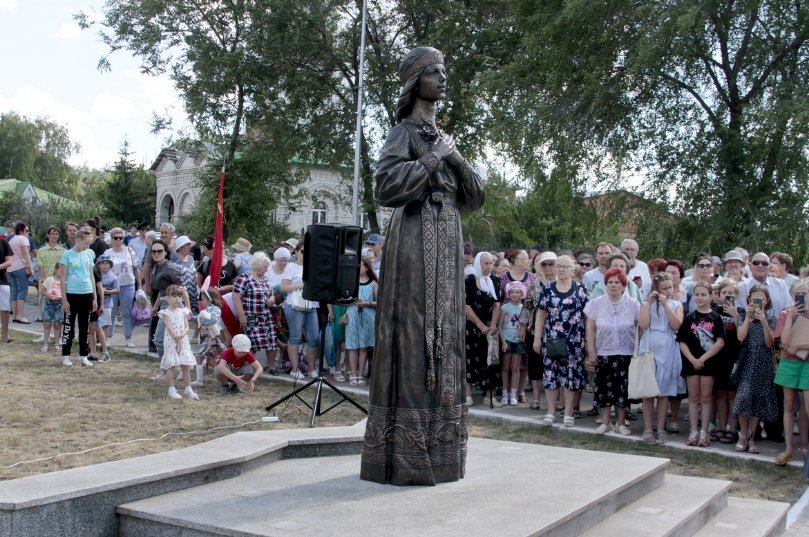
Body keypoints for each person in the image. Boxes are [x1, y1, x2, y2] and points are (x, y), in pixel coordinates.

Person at [360, 45, 485, 487]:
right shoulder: (404, 133)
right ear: (416, 82)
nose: (442, 78)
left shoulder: (444, 137)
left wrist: (453, 157)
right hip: (413, 238)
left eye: (444, 69)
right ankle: (406, 453)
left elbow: (475, 196)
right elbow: (386, 185)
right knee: (414, 331)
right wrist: (431, 160)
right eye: (435, 71)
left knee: (446, 329)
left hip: (446, 236)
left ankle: (443, 447)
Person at [533, 255, 589, 427]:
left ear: (573, 270)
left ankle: (568, 412)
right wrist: (537, 337)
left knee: (571, 377)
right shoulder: (547, 289)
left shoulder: (581, 290)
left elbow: (587, 317)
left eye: (566, 266)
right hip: (552, 340)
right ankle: (550, 411)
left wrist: (588, 340)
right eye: (559, 266)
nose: (562, 269)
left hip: (574, 341)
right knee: (551, 376)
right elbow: (541, 314)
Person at [584, 268, 641, 436]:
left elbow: (641, 327)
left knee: (622, 388)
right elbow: (590, 328)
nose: (613, 285)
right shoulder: (596, 304)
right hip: (603, 352)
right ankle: (606, 422)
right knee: (603, 388)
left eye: (617, 282)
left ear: (624, 285)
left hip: (626, 353)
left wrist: (638, 349)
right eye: (610, 282)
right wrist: (591, 351)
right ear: (605, 284)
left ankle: (621, 423)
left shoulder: (633, 304)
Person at [678, 281, 725, 447]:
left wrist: (702, 359)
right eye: (697, 294)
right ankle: (693, 430)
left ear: (711, 296)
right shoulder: (689, 317)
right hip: (691, 363)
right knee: (693, 397)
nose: (700, 297)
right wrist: (692, 359)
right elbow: (682, 342)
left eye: (703, 294)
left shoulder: (716, 317)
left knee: (705, 397)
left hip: (709, 363)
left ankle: (704, 431)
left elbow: (719, 342)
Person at [637, 272, 683, 443]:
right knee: (648, 391)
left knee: (664, 392)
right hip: (650, 346)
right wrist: (649, 302)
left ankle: (661, 427)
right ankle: (648, 427)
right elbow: (642, 324)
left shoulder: (676, 305)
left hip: (668, 347)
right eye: (664, 288)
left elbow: (676, 325)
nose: (668, 291)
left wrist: (665, 305)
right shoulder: (646, 303)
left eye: (670, 287)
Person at [732, 284, 778, 454]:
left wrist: (764, 320)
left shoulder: (772, 319)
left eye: (761, 298)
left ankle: (751, 438)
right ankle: (743, 434)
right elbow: (740, 337)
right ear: (749, 300)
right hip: (747, 362)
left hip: (763, 363)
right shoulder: (743, 316)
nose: (758, 301)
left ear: (767, 301)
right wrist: (748, 319)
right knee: (744, 398)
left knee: (758, 401)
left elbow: (769, 343)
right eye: (754, 298)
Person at [775, 279, 809, 465]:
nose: (801, 297)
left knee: (806, 406)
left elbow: (796, 344)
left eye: (804, 293)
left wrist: (800, 345)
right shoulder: (785, 314)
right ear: (791, 295)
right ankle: (788, 448)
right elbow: (785, 342)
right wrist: (790, 317)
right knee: (789, 406)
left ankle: (804, 444)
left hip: (808, 364)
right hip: (789, 362)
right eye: (797, 294)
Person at [465, 252, 501, 407]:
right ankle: (468, 396)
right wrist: (480, 325)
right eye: (486, 263)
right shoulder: (469, 280)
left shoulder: (495, 280)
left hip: (490, 327)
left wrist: (492, 325)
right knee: (471, 358)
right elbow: (466, 306)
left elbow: (497, 304)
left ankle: (489, 396)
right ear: (478, 264)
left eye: (491, 263)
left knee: (491, 359)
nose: (489, 266)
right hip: (473, 327)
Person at [233, 252, 278, 372]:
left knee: (271, 341)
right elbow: (236, 297)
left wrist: (272, 299)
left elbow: (271, 293)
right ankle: (250, 368)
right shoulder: (244, 278)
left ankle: (272, 367)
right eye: (265, 267)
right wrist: (242, 315)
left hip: (266, 316)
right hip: (251, 316)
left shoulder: (264, 279)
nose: (267, 270)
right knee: (250, 343)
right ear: (257, 265)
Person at [59, 228, 97, 367]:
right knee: (69, 326)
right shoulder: (67, 255)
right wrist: (64, 299)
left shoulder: (88, 255)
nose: (88, 246)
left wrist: (94, 298)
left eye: (90, 243)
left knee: (84, 327)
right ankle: (66, 355)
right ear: (79, 240)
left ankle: (83, 355)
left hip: (86, 293)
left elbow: (91, 277)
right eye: (86, 243)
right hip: (72, 294)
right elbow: (62, 278)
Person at [712, 279, 742, 445]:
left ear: (736, 295)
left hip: (734, 357)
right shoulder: (715, 311)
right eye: (724, 293)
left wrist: (735, 315)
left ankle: (733, 428)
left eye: (731, 293)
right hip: (718, 357)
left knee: (732, 394)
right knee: (720, 394)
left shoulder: (741, 312)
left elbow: (742, 335)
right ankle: (721, 427)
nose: (728, 295)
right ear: (719, 295)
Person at [158, 284, 200, 400]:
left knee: (185, 365)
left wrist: (181, 336)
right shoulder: (166, 313)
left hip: (183, 340)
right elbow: (169, 327)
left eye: (179, 296)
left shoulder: (183, 312)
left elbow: (187, 326)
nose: (177, 298)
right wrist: (176, 338)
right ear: (168, 298)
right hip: (171, 340)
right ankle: (171, 389)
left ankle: (188, 389)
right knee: (171, 364)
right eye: (174, 296)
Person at [103, 227, 141, 347]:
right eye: (116, 238)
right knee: (111, 312)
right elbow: (103, 269)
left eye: (120, 238)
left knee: (127, 312)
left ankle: (128, 338)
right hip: (111, 286)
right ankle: (109, 337)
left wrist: (139, 286)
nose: (118, 240)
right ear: (112, 239)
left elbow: (135, 269)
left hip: (128, 285)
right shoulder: (108, 253)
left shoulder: (129, 251)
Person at [345, 256, 378, 386]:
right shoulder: (350, 281)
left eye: (361, 266)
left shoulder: (373, 283)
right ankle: (353, 374)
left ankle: (360, 375)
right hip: (352, 314)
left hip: (368, 317)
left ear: (367, 267)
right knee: (352, 346)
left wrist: (367, 303)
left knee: (363, 347)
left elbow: (379, 301)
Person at [35, 226, 65, 345]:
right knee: (45, 310)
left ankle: (60, 336)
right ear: (48, 235)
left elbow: (63, 268)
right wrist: (44, 280)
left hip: (59, 284)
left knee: (59, 312)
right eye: (52, 233)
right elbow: (40, 267)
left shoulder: (63, 251)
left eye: (57, 234)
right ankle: (45, 335)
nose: (54, 236)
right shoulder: (41, 251)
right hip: (46, 283)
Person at [500, 281, 527, 406]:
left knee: (515, 368)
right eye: (512, 292)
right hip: (507, 339)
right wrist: (503, 342)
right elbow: (499, 326)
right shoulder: (505, 307)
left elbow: (525, 325)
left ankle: (513, 394)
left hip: (518, 341)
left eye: (517, 292)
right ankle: (504, 394)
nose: (515, 294)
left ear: (522, 293)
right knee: (505, 368)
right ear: (508, 294)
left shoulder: (524, 308)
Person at [192, 288, 224, 387]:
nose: (202, 301)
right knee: (209, 360)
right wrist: (190, 317)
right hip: (207, 338)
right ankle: (226, 377)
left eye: (204, 299)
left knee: (200, 357)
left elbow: (212, 320)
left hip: (211, 339)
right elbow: (198, 319)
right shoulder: (205, 310)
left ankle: (200, 381)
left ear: (210, 299)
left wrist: (202, 319)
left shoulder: (216, 309)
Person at [8, 222, 33, 324]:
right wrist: (31, 268)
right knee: (22, 291)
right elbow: (26, 253)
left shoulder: (11, 239)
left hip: (11, 268)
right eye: (27, 230)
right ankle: (20, 315)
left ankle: (14, 315)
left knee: (14, 291)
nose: (28, 232)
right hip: (21, 268)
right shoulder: (23, 239)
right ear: (21, 231)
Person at [0, 235, 12, 343]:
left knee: (5, 308)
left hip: (2, 281)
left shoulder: (3, 243)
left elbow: (9, 262)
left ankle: (4, 335)